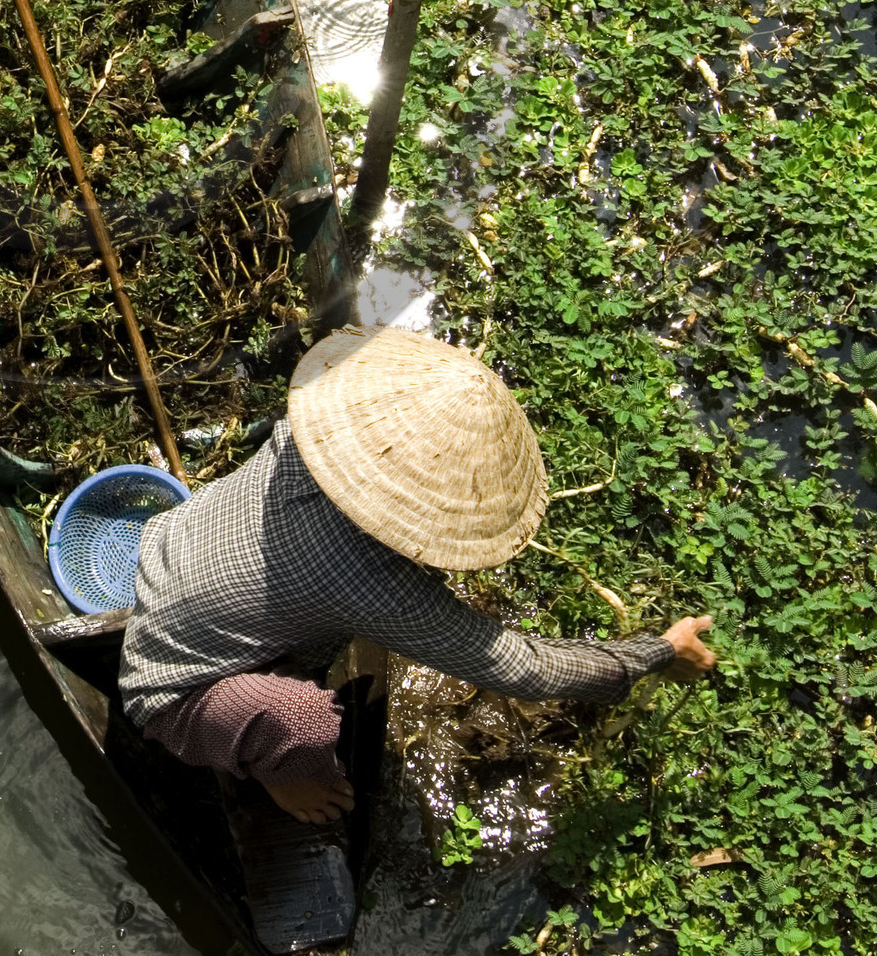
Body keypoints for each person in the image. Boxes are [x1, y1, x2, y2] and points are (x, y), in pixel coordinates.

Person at [118, 327, 716, 825]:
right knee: (300, 720)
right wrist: (655, 651)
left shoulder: (307, 429)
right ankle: (286, 778)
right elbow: (524, 668)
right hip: (170, 691)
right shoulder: (375, 586)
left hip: (166, 549)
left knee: (304, 623)